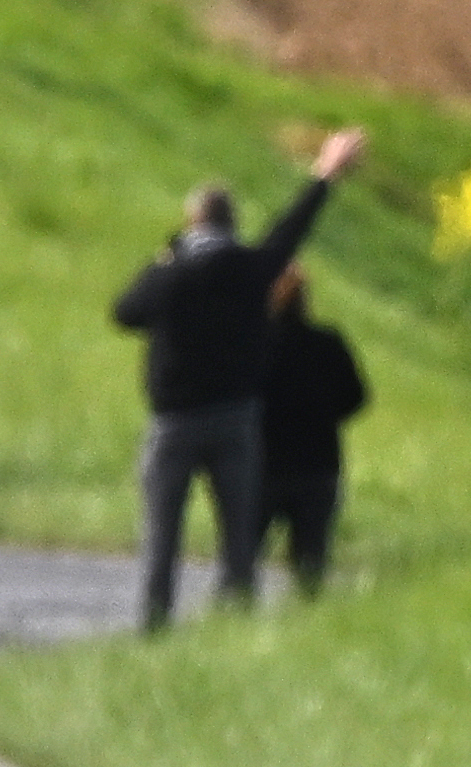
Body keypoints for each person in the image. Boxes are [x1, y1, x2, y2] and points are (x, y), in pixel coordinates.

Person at [112, 128, 368, 629]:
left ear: (192, 222)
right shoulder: (252, 270)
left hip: (175, 421)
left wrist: (166, 259)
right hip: (235, 419)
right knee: (238, 535)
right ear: (235, 224)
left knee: (163, 532)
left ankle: (155, 624)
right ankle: (236, 620)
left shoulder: (173, 276)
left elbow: (126, 313)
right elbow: (292, 229)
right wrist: (325, 174)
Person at [254, 267, 369, 597]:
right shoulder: (328, 343)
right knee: (311, 562)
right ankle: (309, 621)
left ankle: (237, 620)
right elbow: (356, 397)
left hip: (263, 465)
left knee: (243, 557)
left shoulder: (256, 345)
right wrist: (325, 415)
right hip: (318, 464)